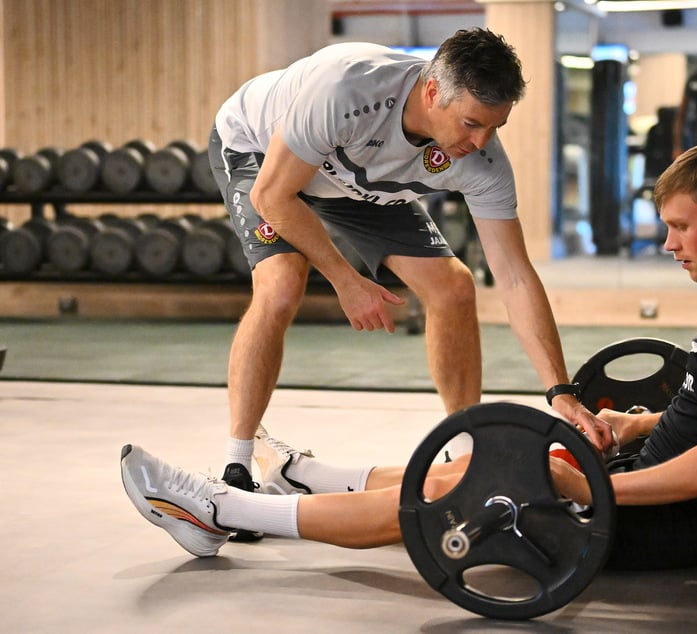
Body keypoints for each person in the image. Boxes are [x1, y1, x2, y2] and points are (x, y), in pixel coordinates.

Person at [121, 142, 697, 571]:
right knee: (470, 464)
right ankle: (303, 476)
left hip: (658, 523)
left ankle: (222, 510)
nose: (670, 243)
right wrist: (632, 427)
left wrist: (591, 489)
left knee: (445, 494)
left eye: (680, 226)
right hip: (659, 492)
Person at [207, 27, 612, 533]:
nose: (481, 142)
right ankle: (237, 464)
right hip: (263, 156)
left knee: (454, 287)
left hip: (359, 181)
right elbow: (273, 198)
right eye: (471, 123)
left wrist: (561, 392)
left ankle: (466, 452)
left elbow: (513, 276)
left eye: (495, 126)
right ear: (432, 92)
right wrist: (347, 280)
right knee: (283, 284)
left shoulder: (481, 160)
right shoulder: (346, 91)